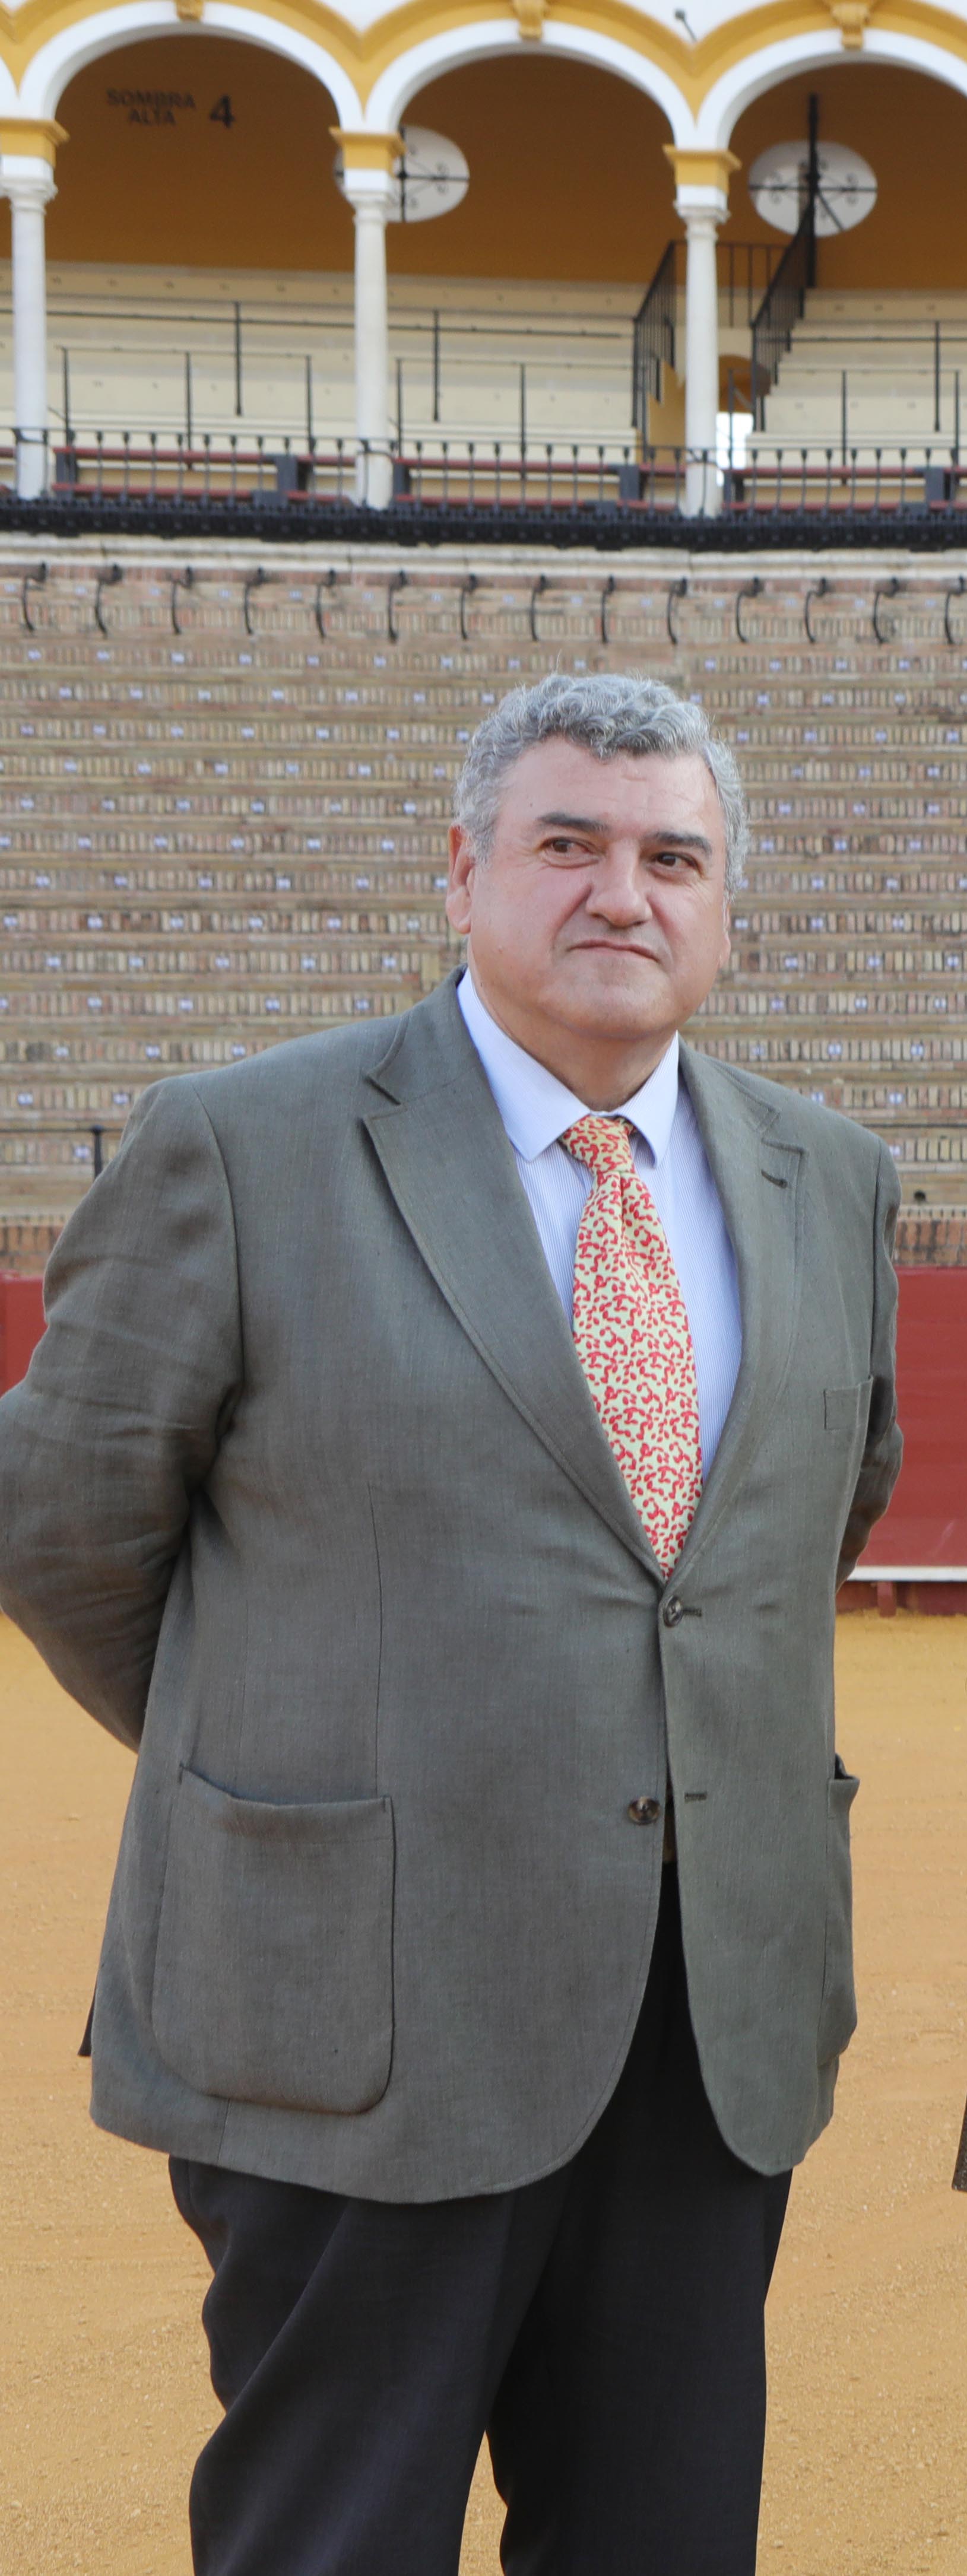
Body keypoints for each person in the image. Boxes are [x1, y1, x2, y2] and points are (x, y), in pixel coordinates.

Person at [0, 674, 901, 2574]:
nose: (622, 895)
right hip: (362, 2008)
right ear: (463, 872)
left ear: (725, 909)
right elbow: (65, 1531)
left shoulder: (831, 1180)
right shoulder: (243, 1145)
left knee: (663, 2543)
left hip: (703, 2020)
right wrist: (308, 1741)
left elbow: (795, 1535)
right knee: (334, 2540)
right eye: (568, 844)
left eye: (674, 860)